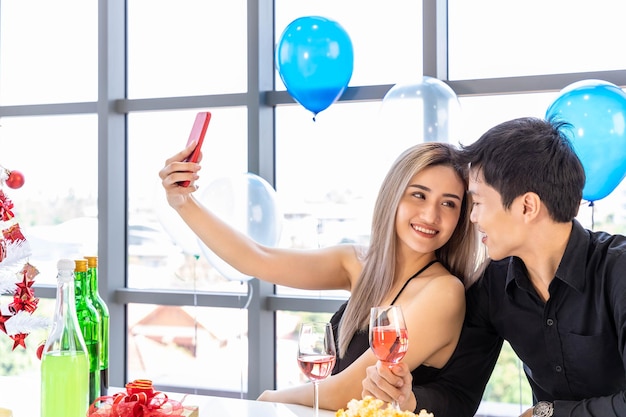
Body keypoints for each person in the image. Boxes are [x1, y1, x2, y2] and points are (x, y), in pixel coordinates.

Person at [159, 141, 485, 411]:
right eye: (419, 195)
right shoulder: (355, 262)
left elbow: (352, 390)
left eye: (449, 204)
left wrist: (271, 399)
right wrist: (184, 202)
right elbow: (257, 259)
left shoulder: (444, 292)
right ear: (394, 196)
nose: (431, 215)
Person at [362, 116, 626, 417]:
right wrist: (409, 400)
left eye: (477, 203)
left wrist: (550, 413)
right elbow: (459, 392)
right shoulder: (493, 284)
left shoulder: (618, 271)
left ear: (527, 206)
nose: (471, 217)